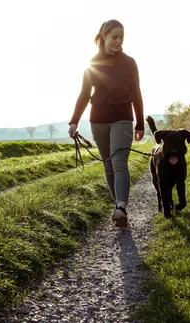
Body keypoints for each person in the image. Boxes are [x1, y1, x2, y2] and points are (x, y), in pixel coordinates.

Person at [68, 19, 144, 227]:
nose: (119, 41)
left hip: (123, 118)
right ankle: (118, 207)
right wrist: (74, 121)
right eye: (115, 37)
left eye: (122, 37)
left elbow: (136, 93)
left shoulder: (129, 63)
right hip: (98, 120)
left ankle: (121, 207)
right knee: (108, 165)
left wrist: (139, 123)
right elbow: (84, 95)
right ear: (104, 37)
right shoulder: (92, 64)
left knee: (119, 162)